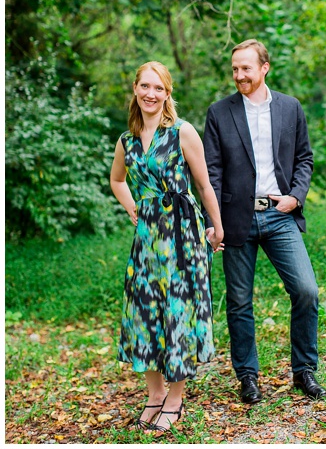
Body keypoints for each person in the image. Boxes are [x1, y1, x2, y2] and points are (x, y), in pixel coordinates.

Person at [203, 38, 326, 404]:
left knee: (306, 290)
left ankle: (304, 371)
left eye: (246, 68)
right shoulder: (219, 112)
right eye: (235, 69)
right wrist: (213, 221)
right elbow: (211, 172)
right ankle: (248, 377)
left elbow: (305, 158)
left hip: (279, 215)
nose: (239, 75)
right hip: (235, 219)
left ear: (264, 68)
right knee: (240, 301)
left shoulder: (290, 108)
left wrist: (295, 198)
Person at [110, 61, 224, 433]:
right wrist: (133, 207)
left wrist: (216, 225)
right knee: (146, 312)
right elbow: (117, 179)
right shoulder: (126, 139)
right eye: (145, 86)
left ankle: (175, 398)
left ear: (167, 93)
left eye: (158, 88)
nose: (150, 94)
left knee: (177, 310)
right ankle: (154, 395)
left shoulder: (182, 132)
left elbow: (204, 185)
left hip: (181, 234)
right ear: (135, 89)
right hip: (147, 238)